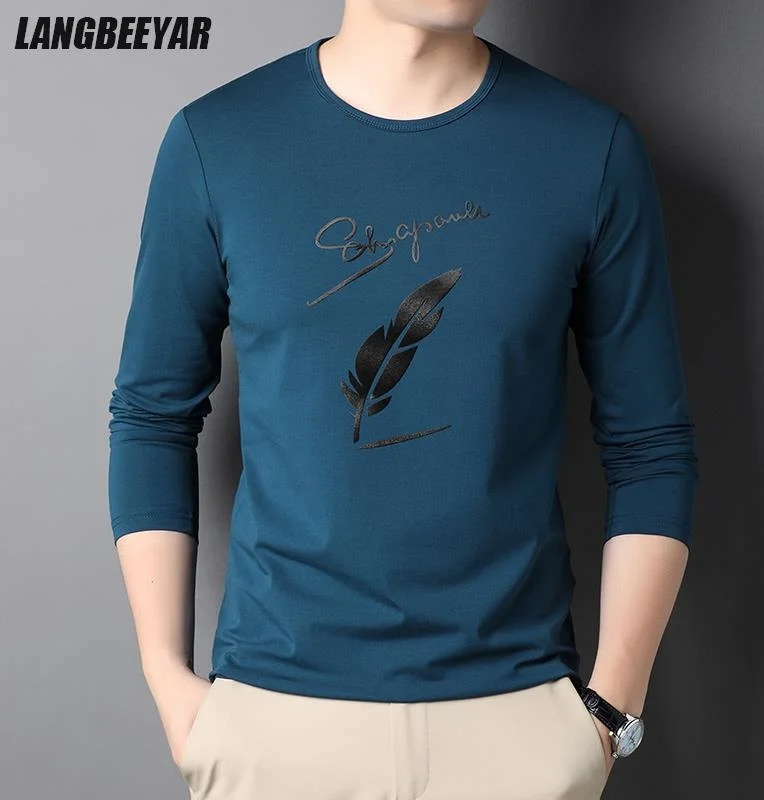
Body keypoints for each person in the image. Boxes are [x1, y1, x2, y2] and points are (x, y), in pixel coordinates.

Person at [107, 2, 698, 798]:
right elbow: (153, 417)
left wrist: (608, 711)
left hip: (517, 726)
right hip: (277, 722)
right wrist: (168, 681)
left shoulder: (587, 149)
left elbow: (650, 444)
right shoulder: (219, 142)